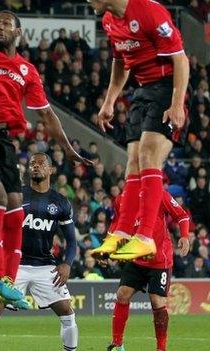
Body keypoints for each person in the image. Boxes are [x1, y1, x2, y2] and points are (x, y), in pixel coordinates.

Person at [0, 11, 91, 304]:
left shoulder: (27, 70)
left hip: (2, 139)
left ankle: (8, 281)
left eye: (5, 24)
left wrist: (69, 150)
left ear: (18, 32)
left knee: (15, 207)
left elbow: (46, 114)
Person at [88, 0, 189, 261]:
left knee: (147, 156)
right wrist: (110, 100)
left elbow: (180, 59)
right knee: (132, 162)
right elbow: (121, 62)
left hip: (167, 88)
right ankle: (121, 231)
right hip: (142, 91)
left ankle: (145, 236)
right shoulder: (109, 21)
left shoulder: (149, 10)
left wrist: (177, 104)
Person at [0, 153, 78, 351]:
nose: (35, 167)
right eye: (32, 164)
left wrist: (67, 263)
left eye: (41, 163)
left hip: (45, 266)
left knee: (68, 312)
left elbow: (72, 241)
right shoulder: (16, 196)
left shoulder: (61, 202)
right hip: (14, 266)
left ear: (51, 170)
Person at [103, 189, 190, 351]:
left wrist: (184, 235)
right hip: (136, 258)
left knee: (156, 301)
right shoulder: (121, 199)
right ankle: (117, 344)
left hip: (159, 261)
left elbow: (182, 215)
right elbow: (116, 225)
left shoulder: (159, 194)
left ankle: (161, 348)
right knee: (122, 294)